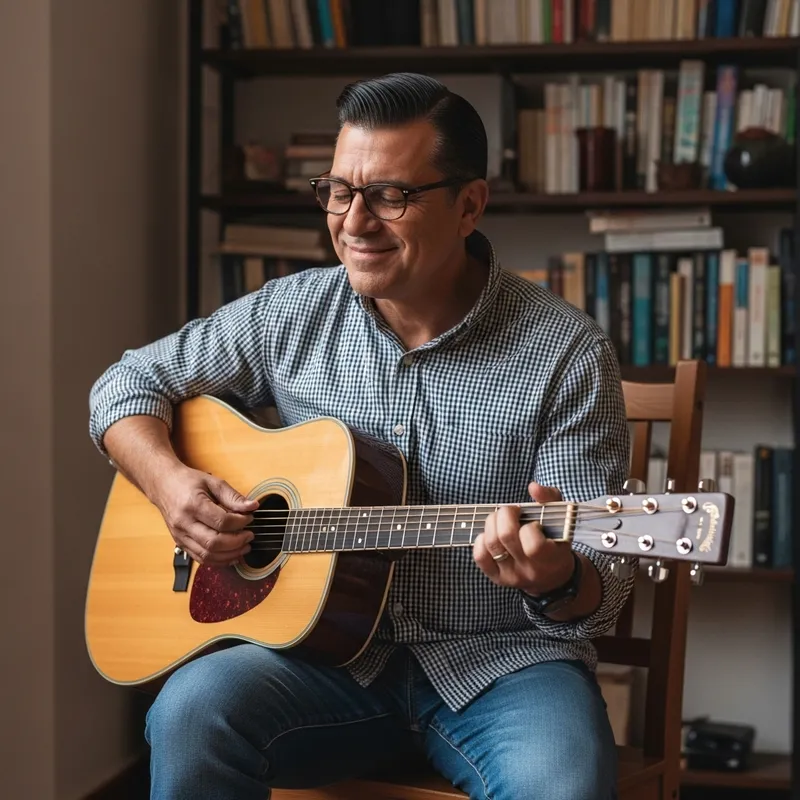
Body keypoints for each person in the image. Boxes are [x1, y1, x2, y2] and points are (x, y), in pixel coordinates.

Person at [89, 72, 633, 800]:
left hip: (504, 664)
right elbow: (125, 385)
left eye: (391, 195)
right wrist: (170, 483)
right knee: (190, 713)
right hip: (317, 664)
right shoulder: (290, 312)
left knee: (564, 783)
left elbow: (604, 576)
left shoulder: (566, 352)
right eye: (339, 192)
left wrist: (559, 577)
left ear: (470, 204)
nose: (354, 221)